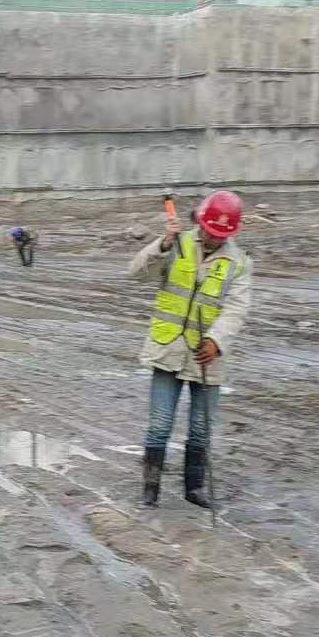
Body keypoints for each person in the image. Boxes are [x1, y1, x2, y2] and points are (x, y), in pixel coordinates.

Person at [127, 190, 253, 509]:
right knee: (160, 424)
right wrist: (162, 244)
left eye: (221, 233)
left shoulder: (239, 263)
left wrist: (216, 340)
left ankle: (194, 489)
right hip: (168, 348)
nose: (214, 237)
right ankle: (150, 488)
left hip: (207, 356)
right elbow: (136, 272)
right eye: (211, 229)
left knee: (200, 429)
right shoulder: (177, 243)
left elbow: (237, 308)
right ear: (201, 221)